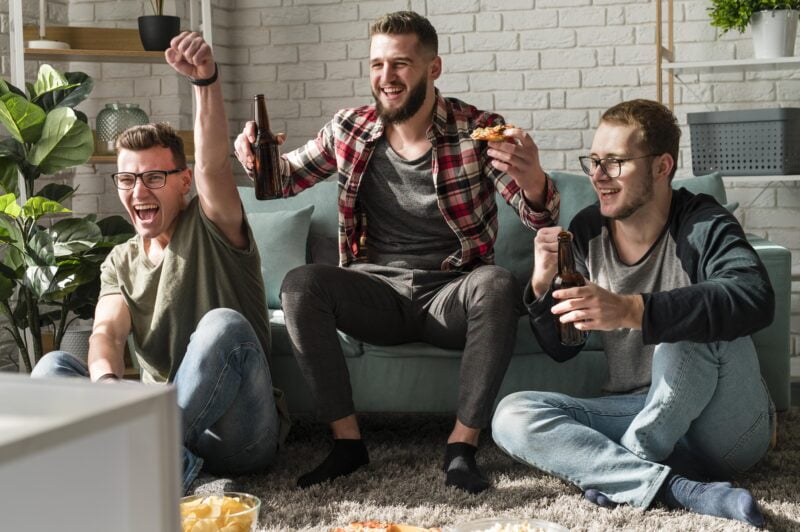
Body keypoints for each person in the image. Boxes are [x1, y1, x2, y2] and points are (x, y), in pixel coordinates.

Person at [233, 11, 559, 493]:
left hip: (451, 295)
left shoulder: (478, 131)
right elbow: (281, 181)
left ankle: (461, 448)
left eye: (401, 64)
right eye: (377, 65)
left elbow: (538, 217)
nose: (386, 78)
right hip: (376, 294)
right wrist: (252, 156)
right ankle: (347, 444)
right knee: (301, 284)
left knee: (497, 282)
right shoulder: (349, 128)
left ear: (434, 68)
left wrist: (533, 180)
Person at [491, 99, 775, 528]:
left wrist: (632, 309)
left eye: (615, 163)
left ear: (662, 167)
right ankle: (678, 487)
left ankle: (629, 465)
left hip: (724, 427)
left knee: (687, 327)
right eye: (594, 161)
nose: (597, 176)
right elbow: (564, 348)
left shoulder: (702, 223)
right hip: (634, 405)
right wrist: (541, 282)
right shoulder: (587, 230)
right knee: (513, 415)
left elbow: (754, 296)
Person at [31, 32, 290, 493]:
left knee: (224, 326)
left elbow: (213, 165)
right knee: (52, 368)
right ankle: (171, 466)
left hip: (237, 430)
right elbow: (108, 332)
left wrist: (206, 80)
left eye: (154, 176)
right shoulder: (120, 260)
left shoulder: (212, 223)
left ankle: (125, 459)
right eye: (127, 178)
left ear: (183, 182)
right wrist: (109, 384)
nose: (138, 190)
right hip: (161, 417)